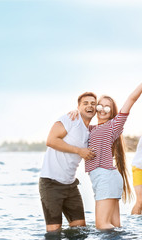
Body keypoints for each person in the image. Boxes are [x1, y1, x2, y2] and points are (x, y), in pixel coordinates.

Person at [78, 69, 142, 230]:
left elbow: (131, 99)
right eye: (100, 105)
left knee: (102, 225)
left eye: (108, 107)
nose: (103, 109)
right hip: (104, 177)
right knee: (114, 226)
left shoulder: (113, 126)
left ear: (112, 112)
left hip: (105, 176)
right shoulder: (90, 128)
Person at [39, 92, 97, 233]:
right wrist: (79, 151)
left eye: (93, 104)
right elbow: (51, 140)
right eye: (85, 103)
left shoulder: (91, 131)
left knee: (80, 230)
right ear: (78, 107)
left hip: (71, 185)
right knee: (54, 232)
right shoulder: (70, 119)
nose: (89, 106)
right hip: (51, 183)